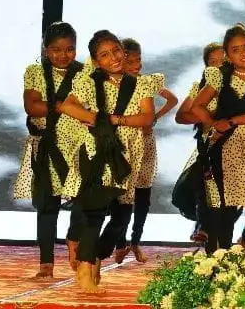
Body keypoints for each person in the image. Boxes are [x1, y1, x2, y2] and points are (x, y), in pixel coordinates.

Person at [59, 30, 154, 293]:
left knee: (122, 215)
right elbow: (67, 106)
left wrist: (115, 119)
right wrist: (97, 119)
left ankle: (97, 255)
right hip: (97, 152)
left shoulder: (141, 84)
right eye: (104, 55)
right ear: (95, 60)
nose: (113, 57)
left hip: (129, 154)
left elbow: (147, 117)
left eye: (116, 51)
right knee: (95, 213)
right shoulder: (90, 82)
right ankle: (85, 269)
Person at [12, 21, 88, 280]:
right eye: (56, 50)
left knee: (83, 197)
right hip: (46, 144)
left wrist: (57, 107)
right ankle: (46, 263)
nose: (63, 55)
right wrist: (65, 107)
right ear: (46, 50)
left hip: (77, 144)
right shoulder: (35, 71)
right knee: (47, 204)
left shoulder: (85, 73)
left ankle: (74, 238)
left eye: (69, 49)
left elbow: (88, 108)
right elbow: (32, 107)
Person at [191, 25, 245, 254]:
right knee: (225, 206)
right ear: (227, 55)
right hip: (225, 147)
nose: (243, 53)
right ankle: (220, 257)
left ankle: (244, 242)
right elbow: (197, 106)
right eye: (236, 50)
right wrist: (213, 124)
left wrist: (231, 121)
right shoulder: (219, 77)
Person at [112, 38, 178, 264]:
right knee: (122, 197)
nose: (136, 65)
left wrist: (154, 117)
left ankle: (135, 242)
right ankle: (120, 243)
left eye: (138, 59)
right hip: (124, 146)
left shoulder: (147, 82)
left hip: (146, 144)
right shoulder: (112, 84)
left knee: (143, 195)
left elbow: (172, 100)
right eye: (130, 60)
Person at [173, 42, 224, 245]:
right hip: (208, 146)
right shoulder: (200, 88)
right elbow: (181, 116)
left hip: (237, 146)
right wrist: (207, 116)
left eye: (223, 61)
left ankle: (221, 241)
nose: (218, 65)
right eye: (213, 62)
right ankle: (202, 228)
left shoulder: (241, 85)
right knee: (205, 186)